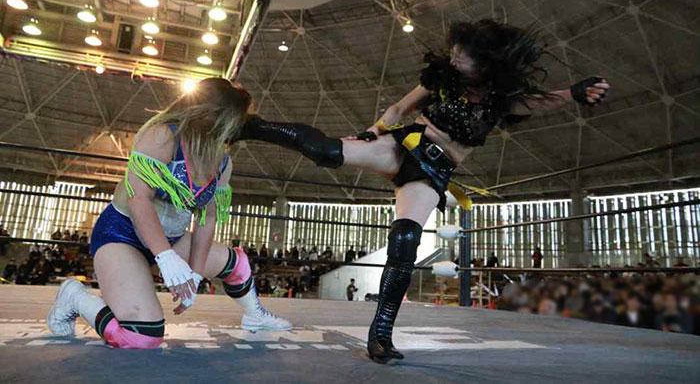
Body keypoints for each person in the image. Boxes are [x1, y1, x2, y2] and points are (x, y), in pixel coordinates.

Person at [237, 19, 610, 363]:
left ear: (486, 63)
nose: (454, 57)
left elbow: (542, 101)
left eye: (463, 55)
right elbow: (399, 107)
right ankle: (248, 127)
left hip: (431, 174)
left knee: (404, 243)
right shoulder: (441, 77)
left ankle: (381, 336)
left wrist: (576, 92)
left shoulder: (501, 99)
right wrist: (372, 131)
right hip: (403, 145)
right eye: (454, 51)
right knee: (326, 151)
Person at [46, 78, 290, 350]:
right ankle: (76, 298)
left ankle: (255, 315)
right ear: (216, 117)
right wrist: (166, 257)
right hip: (122, 235)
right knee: (142, 337)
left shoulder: (222, 162)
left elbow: (208, 218)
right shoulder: (162, 136)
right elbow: (139, 198)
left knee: (237, 265)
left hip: (173, 237)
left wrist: (195, 274)